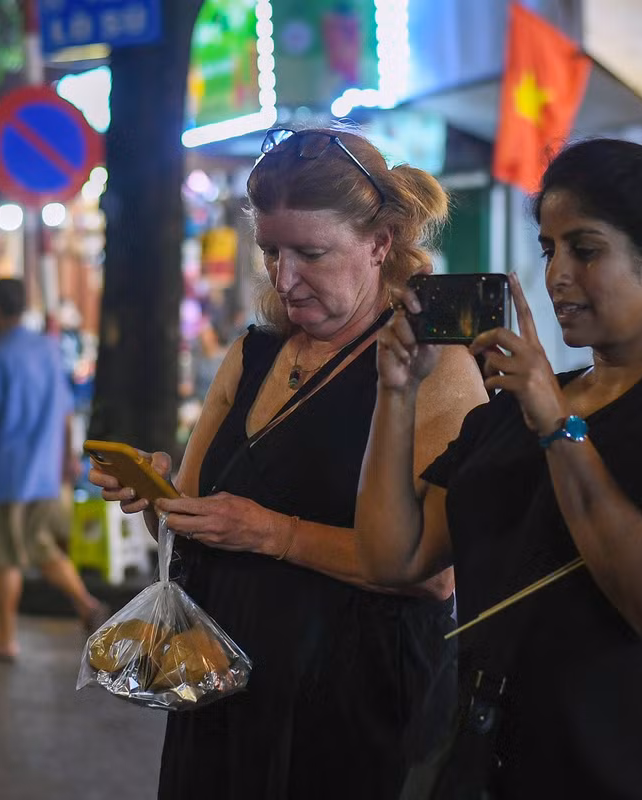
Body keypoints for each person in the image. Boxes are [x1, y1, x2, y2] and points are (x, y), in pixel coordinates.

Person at [356, 138, 642, 798]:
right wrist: (395, 393)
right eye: (548, 249)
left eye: (585, 249)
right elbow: (392, 558)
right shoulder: (512, 406)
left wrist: (557, 425)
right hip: (495, 768)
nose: (557, 275)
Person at [89, 126, 487, 799]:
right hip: (221, 693)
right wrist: (164, 499)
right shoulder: (254, 353)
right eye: (271, 251)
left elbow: (435, 573)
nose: (285, 277)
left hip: (357, 709)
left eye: (311, 252)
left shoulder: (433, 363)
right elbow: (190, 529)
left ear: (380, 244)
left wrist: (272, 533)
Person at [0, 278, 110, 662]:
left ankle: (5, 638)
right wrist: (66, 457)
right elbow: (64, 408)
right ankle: (85, 603)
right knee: (41, 546)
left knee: (5, 558)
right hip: (44, 471)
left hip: (7, 475)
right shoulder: (46, 348)